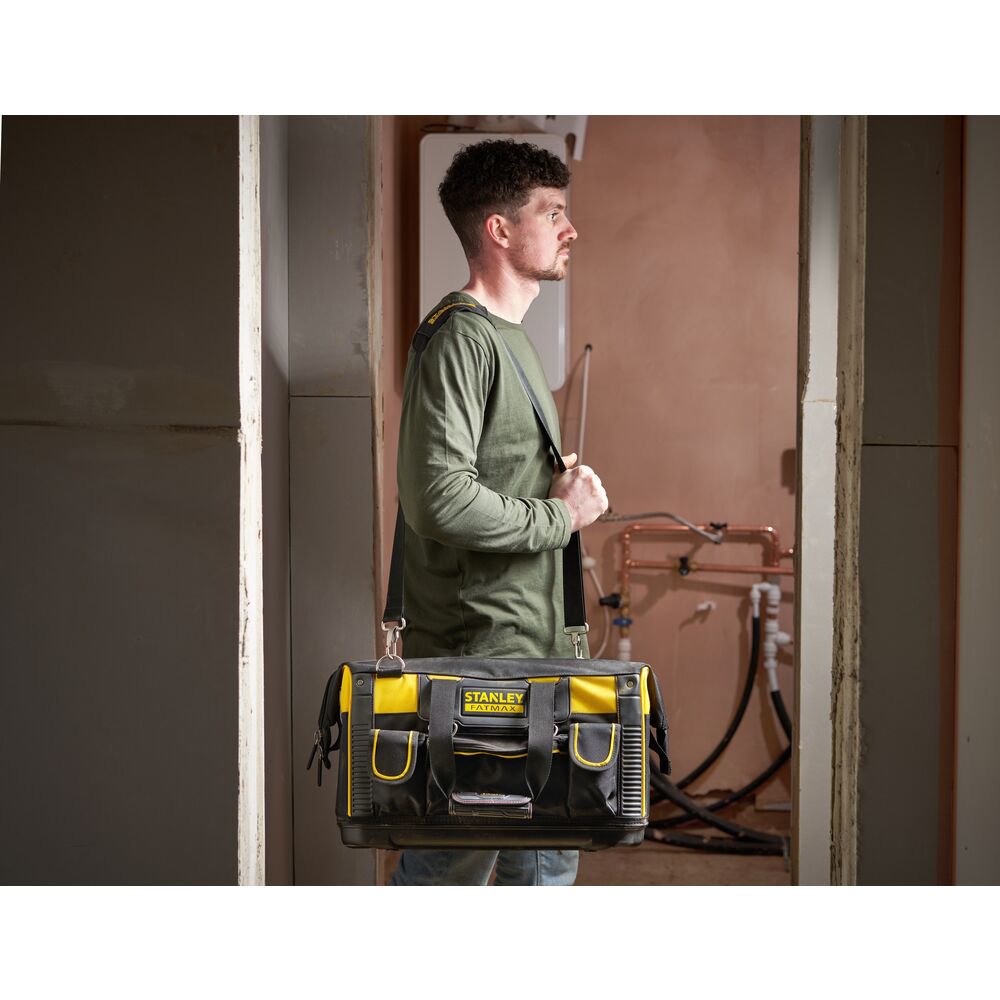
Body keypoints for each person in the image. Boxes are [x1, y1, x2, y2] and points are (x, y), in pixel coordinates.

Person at [389, 139, 609, 886]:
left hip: (528, 654)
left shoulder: (509, 341)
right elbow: (438, 498)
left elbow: (493, 480)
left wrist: (557, 490)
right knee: (453, 864)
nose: (571, 229)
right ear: (500, 230)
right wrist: (560, 518)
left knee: (542, 861)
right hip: (482, 661)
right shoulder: (462, 338)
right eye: (553, 214)